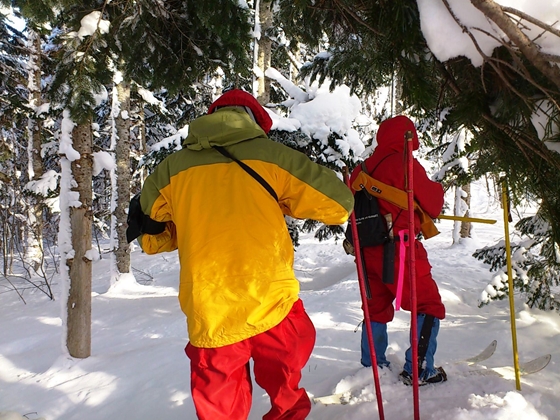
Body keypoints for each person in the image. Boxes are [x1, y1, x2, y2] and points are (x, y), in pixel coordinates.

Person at [129, 89, 354, 420]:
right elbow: (339, 205)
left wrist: (192, 218)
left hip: (211, 311)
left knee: (220, 410)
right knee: (287, 397)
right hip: (272, 304)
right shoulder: (274, 156)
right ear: (256, 123)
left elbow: (151, 241)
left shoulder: (170, 171)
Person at [349, 115, 447, 385]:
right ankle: (420, 369)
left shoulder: (360, 171)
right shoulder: (406, 165)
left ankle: (372, 365)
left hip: (365, 252)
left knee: (375, 308)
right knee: (428, 305)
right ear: (409, 138)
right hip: (400, 250)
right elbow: (434, 204)